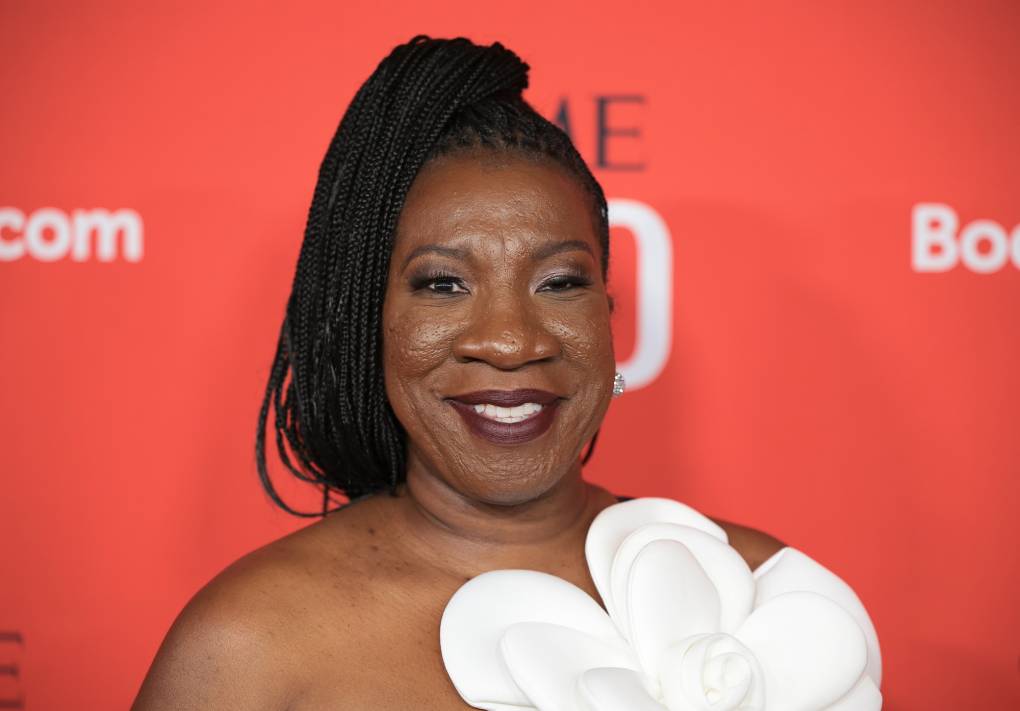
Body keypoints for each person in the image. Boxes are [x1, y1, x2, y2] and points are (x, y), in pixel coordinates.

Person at [132, 36, 783, 710]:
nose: (509, 342)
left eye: (560, 282)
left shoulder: (762, 593)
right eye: (443, 285)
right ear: (370, 322)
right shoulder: (247, 646)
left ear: (608, 315)